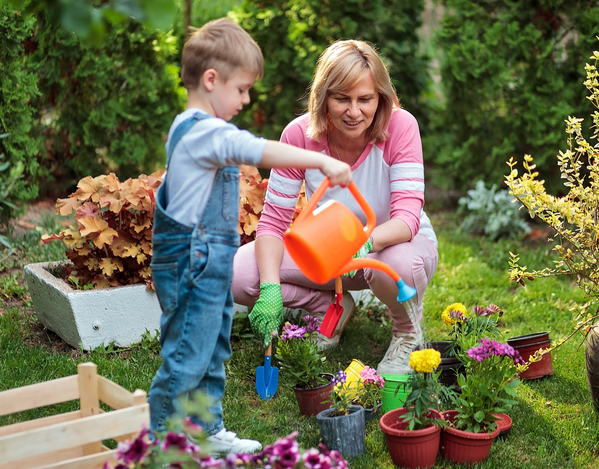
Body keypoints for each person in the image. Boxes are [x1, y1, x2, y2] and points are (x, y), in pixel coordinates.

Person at [146, 18, 352, 455]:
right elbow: (255, 149)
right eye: (241, 89)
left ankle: (208, 430)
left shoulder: (205, 129)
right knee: (186, 355)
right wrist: (321, 163)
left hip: (210, 261)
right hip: (189, 262)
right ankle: (163, 441)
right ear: (211, 79)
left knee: (214, 347)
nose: (246, 99)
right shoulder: (201, 130)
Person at [232, 39, 438, 376]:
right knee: (242, 274)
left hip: (389, 247)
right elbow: (272, 224)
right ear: (324, 97)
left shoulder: (401, 128)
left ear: (381, 98)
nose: (354, 111)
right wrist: (269, 288)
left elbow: (406, 219)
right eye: (342, 98)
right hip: (328, 252)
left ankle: (406, 331)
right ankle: (329, 309)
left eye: (365, 99)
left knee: (396, 262)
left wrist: (367, 241)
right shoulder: (299, 135)